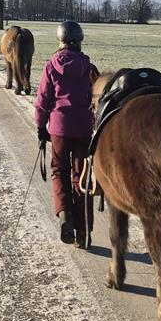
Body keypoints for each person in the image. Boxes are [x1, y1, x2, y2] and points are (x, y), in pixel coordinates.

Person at [34, 20, 99, 247]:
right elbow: (97, 99)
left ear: (60, 40)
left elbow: (42, 101)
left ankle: (64, 215)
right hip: (83, 129)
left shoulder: (51, 66)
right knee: (81, 178)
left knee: (59, 171)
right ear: (79, 41)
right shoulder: (90, 68)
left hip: (59, 129)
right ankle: (83, 232)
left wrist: (41, 127)